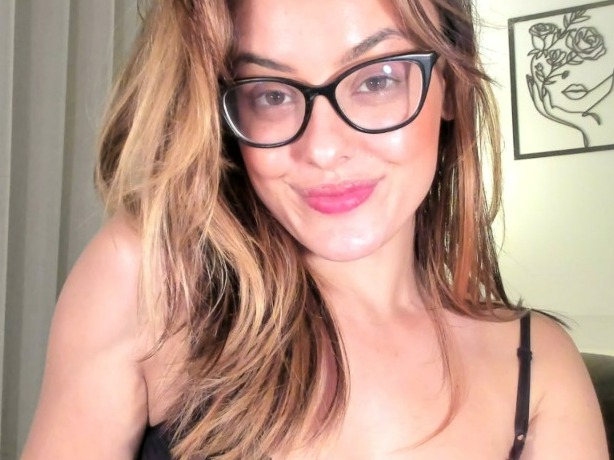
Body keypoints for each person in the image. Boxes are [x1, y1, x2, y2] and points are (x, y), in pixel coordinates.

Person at [21, 0, 608, 459]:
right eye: (272, 94)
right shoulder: (151, 283)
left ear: (450, 86)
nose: (323, 149)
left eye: (376, 79)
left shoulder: (538, 366)